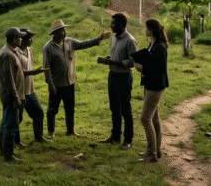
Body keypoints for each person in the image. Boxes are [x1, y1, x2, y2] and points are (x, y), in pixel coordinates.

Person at [42, 19, 111, 137]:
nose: (66, 32)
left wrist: (99, 38)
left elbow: (84, 44)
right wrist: (50, 84)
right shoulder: (48, 48)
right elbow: (46, 67)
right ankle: (50, 132)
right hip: (56, 84)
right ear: (56, 33)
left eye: (65, 29)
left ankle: (70, 131)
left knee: (70, 108)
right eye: (63, 30)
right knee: (52, 109)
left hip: (70, 82)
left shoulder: (70, 42)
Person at [130, 18, 169, 163]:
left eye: (145, 28)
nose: (144, 30)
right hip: (149, 85)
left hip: (156, 86)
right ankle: (156, 150)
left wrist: (143, 68)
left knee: (145, 118)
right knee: (154, 119)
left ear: (151, 30)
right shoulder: (152, 44)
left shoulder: (159, 47)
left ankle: (151, 153)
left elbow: (161, 69)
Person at [97, 13, 138, 150]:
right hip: (112, 76)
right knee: (114, 108)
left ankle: (128, 140)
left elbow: (132, 63)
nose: (111, 25)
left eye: (113, 23)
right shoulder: (114, 38)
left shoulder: (130, 40)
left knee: (126, 110)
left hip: (124, 78)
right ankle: (115, 137)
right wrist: (107, 59)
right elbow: (117, 56)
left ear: (121, 25)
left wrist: (111, 61)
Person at [14, 27, 49, 146]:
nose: (32, 40)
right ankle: (16, 142)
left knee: (38, 113)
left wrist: (32, 72)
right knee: (17, 119)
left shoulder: (29, 50)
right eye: (29, 38)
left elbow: (30, 67)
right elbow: (17, 73)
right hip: (20, 91)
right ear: (22, 40)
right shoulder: (15, 53)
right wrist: (32, 72)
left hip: (30, 90)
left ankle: (39, 137)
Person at [0, 27, 26, 162]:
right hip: (10, 96)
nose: (21, 39)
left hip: (8, 95)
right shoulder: (8, 54)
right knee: (11, 125)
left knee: (5, 123)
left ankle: (4, 152)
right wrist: (16, 97)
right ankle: (8, 156)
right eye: (19, 37)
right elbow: (9, 79)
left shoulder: (10, 51)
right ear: (14, 39)